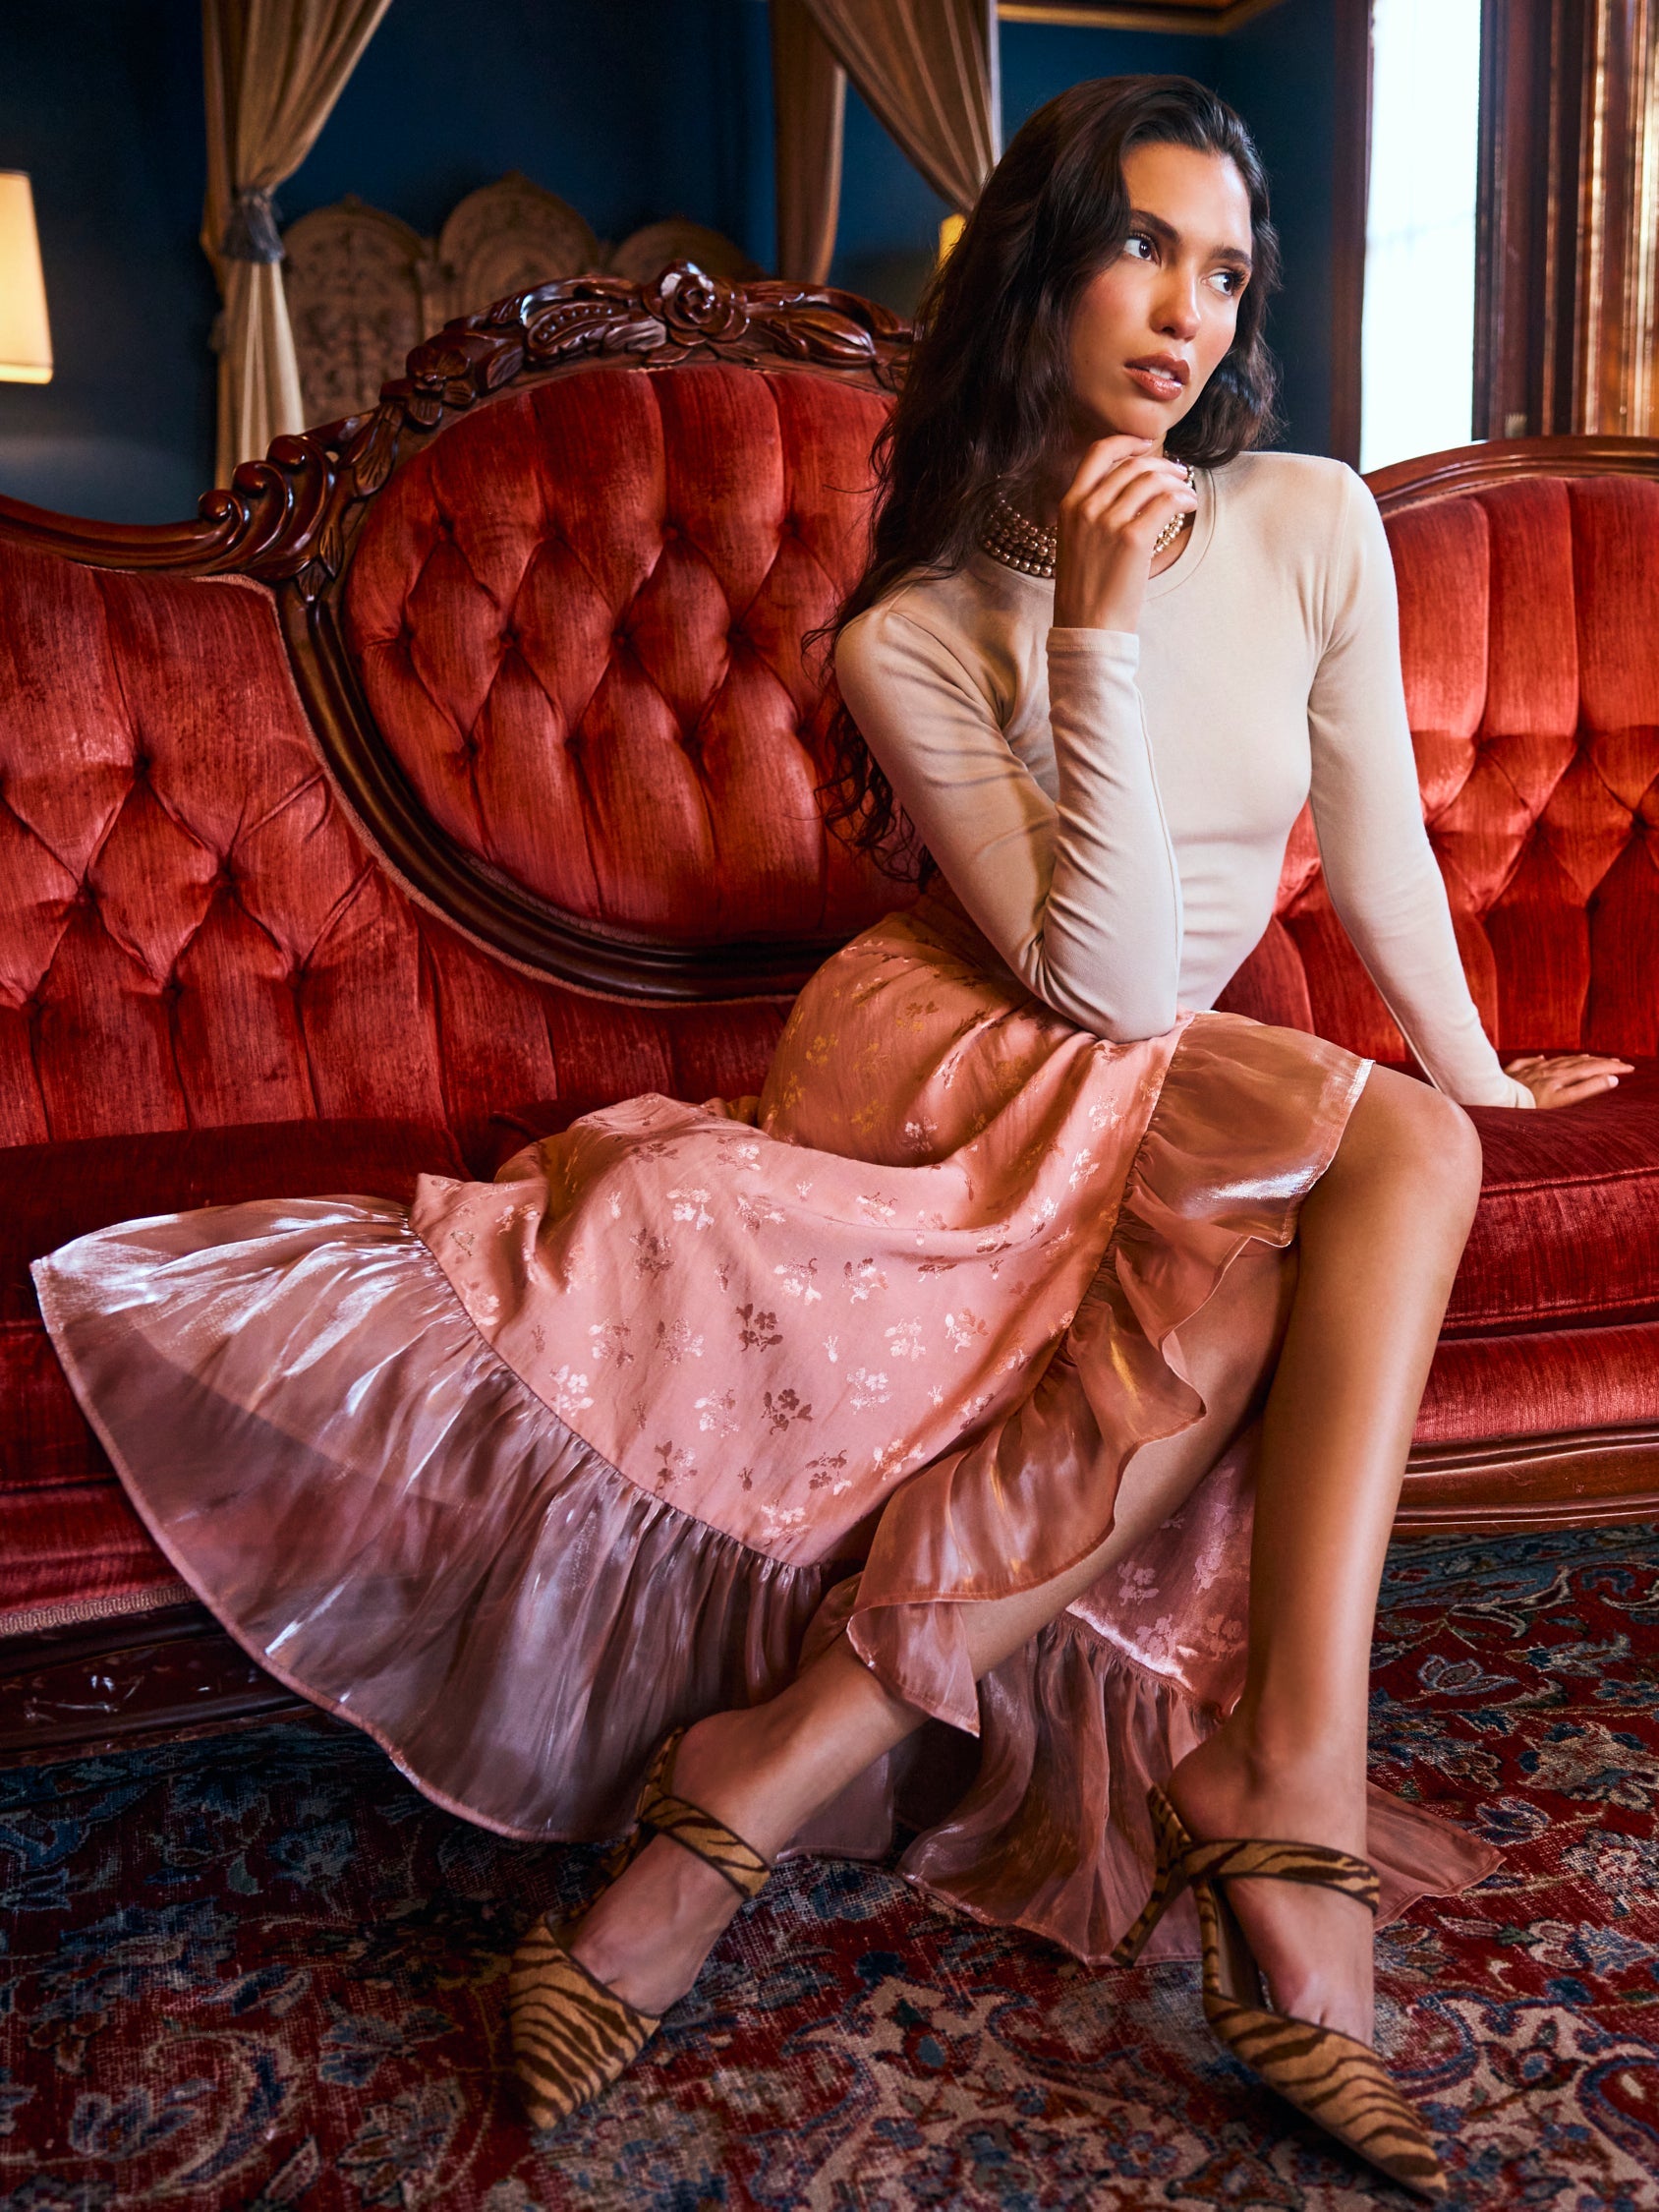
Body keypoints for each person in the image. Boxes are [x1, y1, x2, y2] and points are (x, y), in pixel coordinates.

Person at [34, 75, 1627, 2198]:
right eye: (1139, 247)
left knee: (1400, 1144)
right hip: (967, 1046)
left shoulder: (1313, 519)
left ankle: (801, 1787)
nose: (1185, 311)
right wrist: (1095, 633)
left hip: (1162, 1069)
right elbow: (1115, 982)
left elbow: (1371, 845)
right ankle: (1253, 1805)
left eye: (1224, 269)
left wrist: (1476, 1058)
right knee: (1340, 1156)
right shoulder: (914, 633)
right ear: (1039, 270)